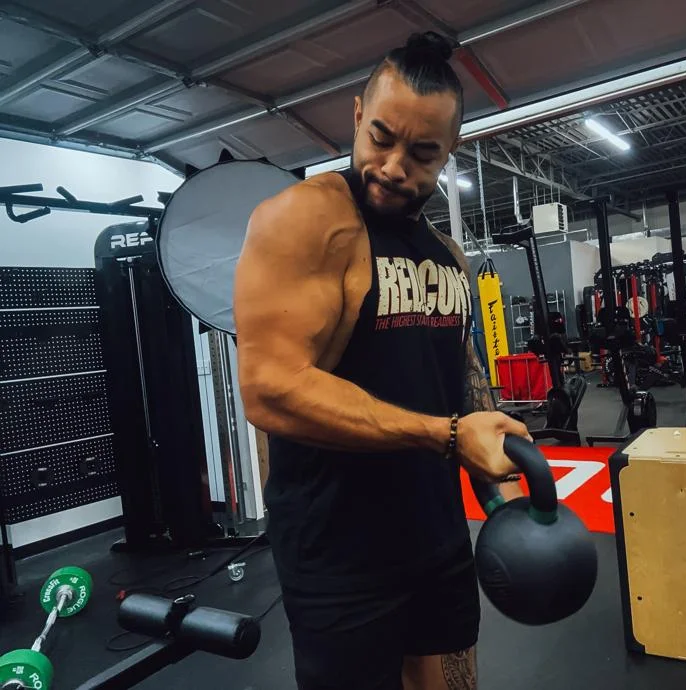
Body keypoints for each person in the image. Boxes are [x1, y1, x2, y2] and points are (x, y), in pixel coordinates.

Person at [234, 31, 531, 690]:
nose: (395, 166)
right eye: (381, 138)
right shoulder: (305, 221)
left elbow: (464, 382)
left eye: (423, 153)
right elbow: (269, 390)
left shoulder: (447, 254)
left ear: (450, 151)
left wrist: (512, 502)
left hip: (437, 539)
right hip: (339, 556)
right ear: (356, 116)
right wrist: (447, 436)